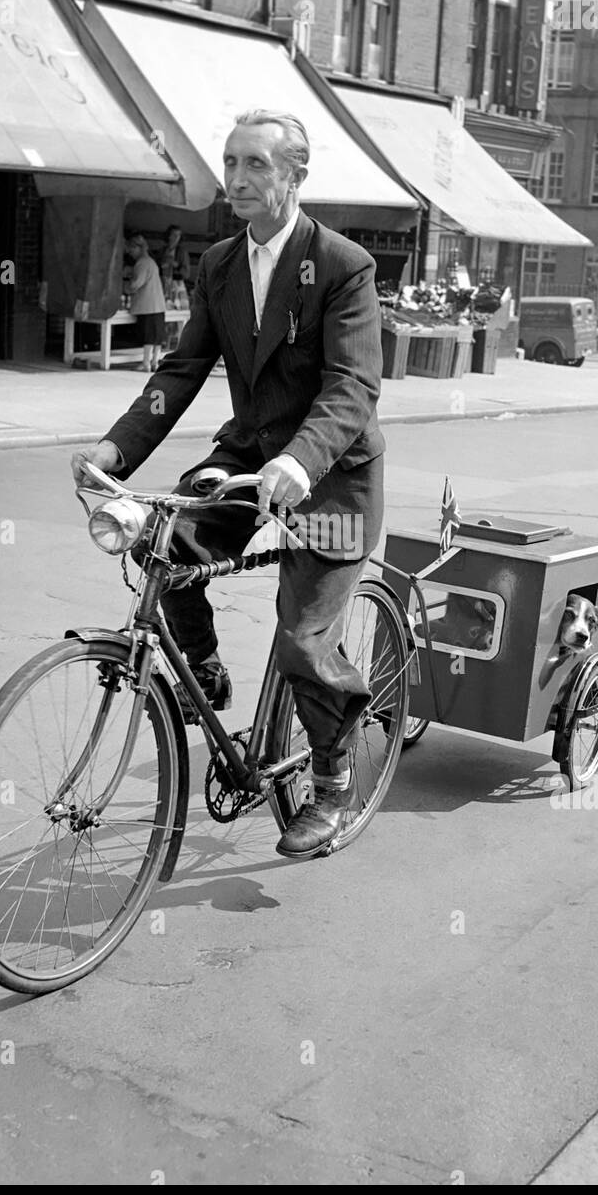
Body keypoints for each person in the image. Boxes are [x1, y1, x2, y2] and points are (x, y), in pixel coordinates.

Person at [71, 108, 385, 860]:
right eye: (230, 162)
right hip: (247, 457)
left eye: (255, 165)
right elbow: (181, 371)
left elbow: (351, 387)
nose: (237, 179)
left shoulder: (342, 266)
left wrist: (299, 463)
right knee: (158, 540)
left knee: (304, 638)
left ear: (294, 175)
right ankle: (204, 672)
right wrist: (117, 450)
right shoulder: (218, 264)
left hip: (331, 474)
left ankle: (333, 783)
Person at [123, 232, 166, 370]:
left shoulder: (142, 263)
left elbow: (136, 284)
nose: (130, 252)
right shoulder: (151, 262)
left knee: (148, 335)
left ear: (139, 248)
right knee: (157, 336)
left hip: (147, 304)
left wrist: (125, 286)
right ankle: (154, 362)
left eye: (132, 248)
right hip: (158, 304)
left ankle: (146, 362)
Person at [158, 224, 191, 301]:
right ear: (169, 236)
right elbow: (155, 267)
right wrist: (161, 266)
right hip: (163, 282)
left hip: (176, 284)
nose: (176, 237)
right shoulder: (162, 251)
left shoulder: (182, 252)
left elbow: (187, 274)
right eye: (174, 235)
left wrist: (176, 265)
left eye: (178, 235)